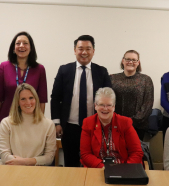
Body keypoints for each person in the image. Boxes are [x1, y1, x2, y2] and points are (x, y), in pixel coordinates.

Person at [50, 35, 112, 167]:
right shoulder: (64, 70)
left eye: (88, 49)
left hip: (95, 126)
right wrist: (56, 123)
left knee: (93, 163)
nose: (84, 52)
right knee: (71, 163)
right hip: (70, 126)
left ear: (93, 51)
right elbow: (55, 97)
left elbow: (109, 99)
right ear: (74, 50)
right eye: (80, 48)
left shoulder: (102, 71)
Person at [0, 31, 48, 159]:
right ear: (13, 48)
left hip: (30, 120)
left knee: (28, 156)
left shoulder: (40, 69)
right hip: (7, 118)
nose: (21, 46)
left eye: (25, 43)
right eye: (18, 43)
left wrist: (39, 122)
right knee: (6, 158)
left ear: (31, 47)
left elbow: (42, 99)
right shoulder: (4, 66)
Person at [80, 87, 143, 168]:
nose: (105, 108)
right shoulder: (88, 123)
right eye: (101, 105)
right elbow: (85, 154)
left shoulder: (125, 123)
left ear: (114, 107)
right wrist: (102, 167)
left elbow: (137, 152)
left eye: (109, 105)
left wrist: (125, 169)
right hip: (97, 168)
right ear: (95, 106)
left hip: (123, 167)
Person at [0, 83, 56, 166]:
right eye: (23, 99)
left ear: (36, 99)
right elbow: (4, 155)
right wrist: (21, 163)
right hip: (10, 167)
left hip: (36, 170)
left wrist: (25, 162)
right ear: (17, 102)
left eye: (31, 98)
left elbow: (49, 158)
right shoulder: (6, 123)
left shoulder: (48, 125)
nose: (28, 102)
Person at [110, 50, 154, 141]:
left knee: (135, 154)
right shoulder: (112, 78)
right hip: (115, 125)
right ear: (123, 61)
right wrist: (117, 121)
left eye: (134, 60)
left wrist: (131, 122)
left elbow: (147, 104)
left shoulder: (146, 80)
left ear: (138, 62)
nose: (130, 62)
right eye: (128, 59)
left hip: (138, 127)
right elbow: (107, 101)